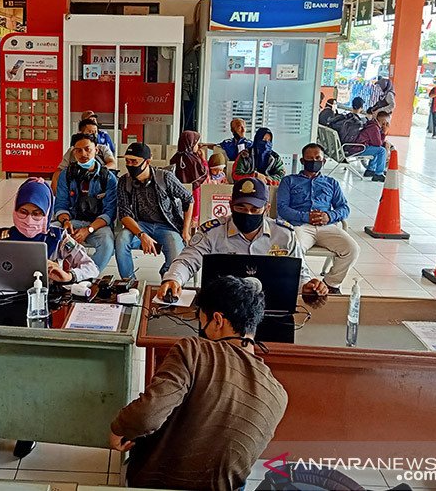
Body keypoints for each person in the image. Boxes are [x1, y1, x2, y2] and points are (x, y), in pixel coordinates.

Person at [0, 178, 99, 457]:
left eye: (37, 213)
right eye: (23, 211)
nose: (29, 219)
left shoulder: (58, 239)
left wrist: (69, 275)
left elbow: (91, 267)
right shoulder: (2, 236)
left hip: (38, 313)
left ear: (47, 213)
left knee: (27, 373)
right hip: (0, 310)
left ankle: (27, 429)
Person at [110, 275, 288, 491]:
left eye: (201, 321)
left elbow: (147, 416)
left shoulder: (194, 350)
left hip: (155, 483)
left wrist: (119, 429)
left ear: (218, 320)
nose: (201, 329)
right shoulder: (278, 394)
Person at [158, 177, 328, 301]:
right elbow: (188, 260)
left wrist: (308, 285)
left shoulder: (284, 234)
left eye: (255, 209)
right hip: (223, 307)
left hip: (271, 305)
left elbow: (299, 273)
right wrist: (174, 278)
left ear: (266, 209)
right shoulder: (212, 232)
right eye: (241, 207)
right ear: (231, 205)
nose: (248, 214)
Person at [276, 144, 360, 294]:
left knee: (352, 249)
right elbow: (282, 208)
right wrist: (305, 216)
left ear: (324, 161)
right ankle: (305, 285)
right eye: (309, 159)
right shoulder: (289, 181)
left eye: (317, 158)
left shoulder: (332, 183)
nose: (314, 161)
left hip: (326, 226)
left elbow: (344, 208)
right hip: (300, 226)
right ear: (302, 161)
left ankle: (331, 284)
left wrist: (329, 216)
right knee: (295, 249)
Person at [115, 142, 194, 279]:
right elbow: (124, 213)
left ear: (147, 161)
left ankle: (168, 278)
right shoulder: (124, 182)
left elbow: (188, 199)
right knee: (122, 239)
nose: (130, 165)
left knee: (176, 250)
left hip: (167, 226)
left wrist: (185, 231)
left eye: (134, 161)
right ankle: (129, 281)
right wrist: (141, 235)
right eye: (127, 161)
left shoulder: (164, 177)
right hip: (140, 225)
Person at [54, 132, 118, 271]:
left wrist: (88, 230)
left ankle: (85, 276)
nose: (83, 154)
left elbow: (110, 212)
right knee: (50, 233)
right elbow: (60, 204)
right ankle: (54, 273)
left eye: (88, 149)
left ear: (96, 149)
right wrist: (65, 221)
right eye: (78, 150)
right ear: (73, 152)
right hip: (72, 222)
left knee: (107, 244)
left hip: (98, 226)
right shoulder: (66, 175)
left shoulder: (108, 178)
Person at [52, 118, 116, 193]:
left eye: (95, 132)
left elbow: (113, 163)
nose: (93, 134)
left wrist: (99, 171)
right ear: (81, 132)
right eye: (90, 132)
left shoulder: (103, 149)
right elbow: (60, 170)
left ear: (96, 150)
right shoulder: (72, 151)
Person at [169, 130, 209, 226]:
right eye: (196, 144)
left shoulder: (175, 157)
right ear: (190, 143)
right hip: (193, 192)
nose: (198, 146)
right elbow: (203, 174)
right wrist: (203, 160)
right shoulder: (194, 160)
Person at [356, 110, 390, 182]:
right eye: (387, 122)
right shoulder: (374, 127)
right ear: (384, 121)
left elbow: (375, 143)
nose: (388, 124)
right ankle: (378, 174)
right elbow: (378, 144)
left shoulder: (373, 125)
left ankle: (370, 170)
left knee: (377, 149)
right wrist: (384, 133)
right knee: (381, 150)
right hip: (359, 148)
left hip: (359, 146)